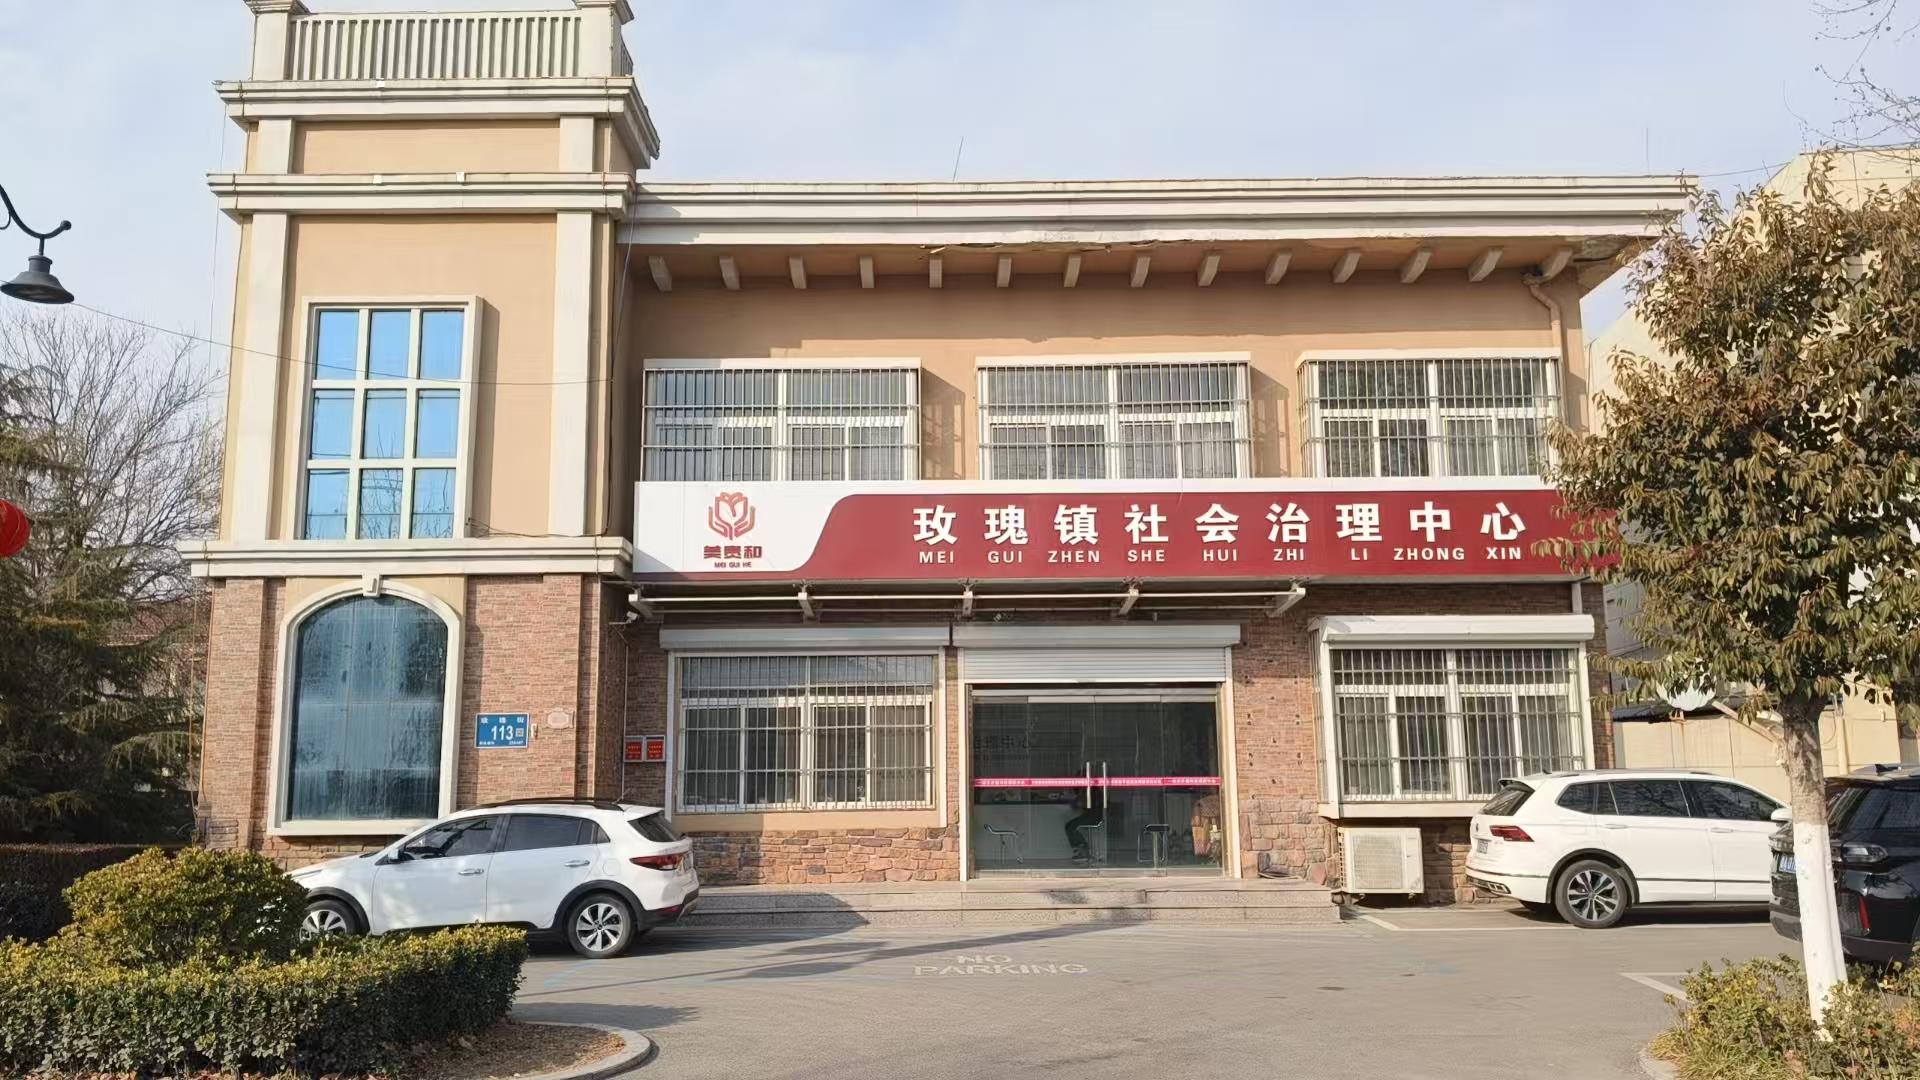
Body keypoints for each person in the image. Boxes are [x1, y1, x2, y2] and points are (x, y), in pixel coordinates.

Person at [1064, 799, 1104, 865]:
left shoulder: (1094, 795)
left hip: (1094, 815)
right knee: (1069, 826)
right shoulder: (1092, 795)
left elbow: (1085, 804)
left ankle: (1083, 850)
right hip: (1090, 814)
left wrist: (1079, 804)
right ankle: (1078, 848)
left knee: (1072, 827)